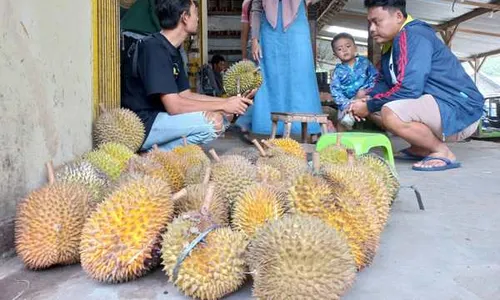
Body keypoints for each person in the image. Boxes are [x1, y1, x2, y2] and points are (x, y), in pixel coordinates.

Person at [349, 0, 485, 171]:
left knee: (389, 112)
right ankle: (421, 147)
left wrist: (369, 105)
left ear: (398, 16)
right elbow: (384, 83)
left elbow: (409, 89)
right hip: (440, 105)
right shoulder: (390, 46)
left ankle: (442, 151)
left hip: (461, 108)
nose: (372, 29)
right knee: (373, 104)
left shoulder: (413, 34)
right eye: (370, 23)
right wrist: (365, 99)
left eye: (377, 22)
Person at [121, 0, 255, 152]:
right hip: (143, 124)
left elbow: (186, 95)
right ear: (185, 17)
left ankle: (161, 153)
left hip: (160, 118)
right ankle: (152, 155)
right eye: (196, 13)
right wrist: (223, 106)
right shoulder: (154, 49)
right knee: (215, 122)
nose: (198, 19)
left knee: (226, 115)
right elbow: (174, 106)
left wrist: (228, 103)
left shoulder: (172, 49)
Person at [249, 0, 323, 136]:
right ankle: (268, 126)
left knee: (300, 77)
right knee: (271, 79)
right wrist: (254, 40)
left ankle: (304, 128)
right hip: (269, 36)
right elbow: (256, 10)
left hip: (298, 32)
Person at [330, 32, 378, 131]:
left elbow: (375, 77)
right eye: (339, 49)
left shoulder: (364, 62)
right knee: (341, 120)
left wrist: (367, 91)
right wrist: (346, 104)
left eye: (348, 46)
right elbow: (335, 91)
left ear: (355, 48)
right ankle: (340, 142)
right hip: (347, 101)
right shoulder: (337, 72)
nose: (344, 50)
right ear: (335, 54)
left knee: (362, 95)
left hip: (365, 97)